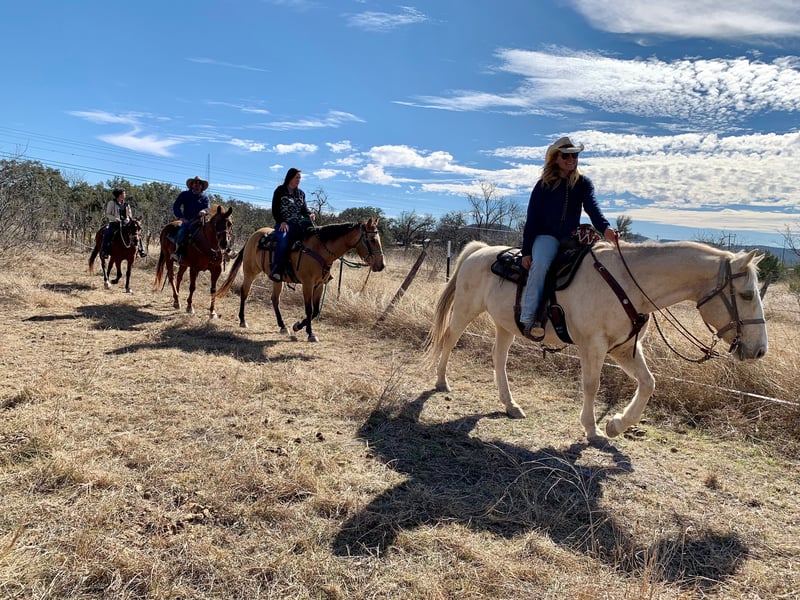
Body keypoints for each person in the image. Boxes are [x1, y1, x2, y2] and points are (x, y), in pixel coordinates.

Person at [520, 136, 619, 339]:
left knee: (593, 266)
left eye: (574, 155)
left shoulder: (583, 183)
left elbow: (593, 209)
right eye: (566, 156)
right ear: (556, 158)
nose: (571, 159)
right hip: (546, 237)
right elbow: (532, 220)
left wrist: (606, 229)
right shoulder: (543, 186)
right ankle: (529, 317)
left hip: (572, 238)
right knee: (541, 265)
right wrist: (527, 251)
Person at [269, 167, 315, 281]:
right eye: (297, 177)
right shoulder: (280, 190)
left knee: (312, 239)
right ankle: (276, 269)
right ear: (290, 177)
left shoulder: (301, 194)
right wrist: (281, 221)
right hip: (283, 225)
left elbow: (304, 210)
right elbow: (275, 209)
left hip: (298, 226)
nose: (299, 180)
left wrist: (310, 214)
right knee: (283, 240)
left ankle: (316, 270)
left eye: (300, 178)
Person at [171, 176, 211, 262]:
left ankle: (222, 252)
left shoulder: (205, 198)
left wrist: (204, 211)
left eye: (199, 183)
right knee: (182, 232)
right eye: (195, 183)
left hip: (200, 222)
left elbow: (208, 208)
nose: (197, 185)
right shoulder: (184, 195)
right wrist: (181, 217)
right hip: (187, 221)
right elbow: (176, 206)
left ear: (202, 186)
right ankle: (177, 252)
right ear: (192, 185)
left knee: (214, 232)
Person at [101, 188, 147, 259]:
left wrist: (130, 219)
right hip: (115, 223)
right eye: (124, 193)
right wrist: (115, 219)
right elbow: (108, 214)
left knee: (136, 232)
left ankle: (141, 250)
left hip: (126, 223)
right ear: (119, 195)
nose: (125, 195)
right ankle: (104, 251)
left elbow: (129, 214)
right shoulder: (111, 203)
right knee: (108, 233)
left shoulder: (126, 204)